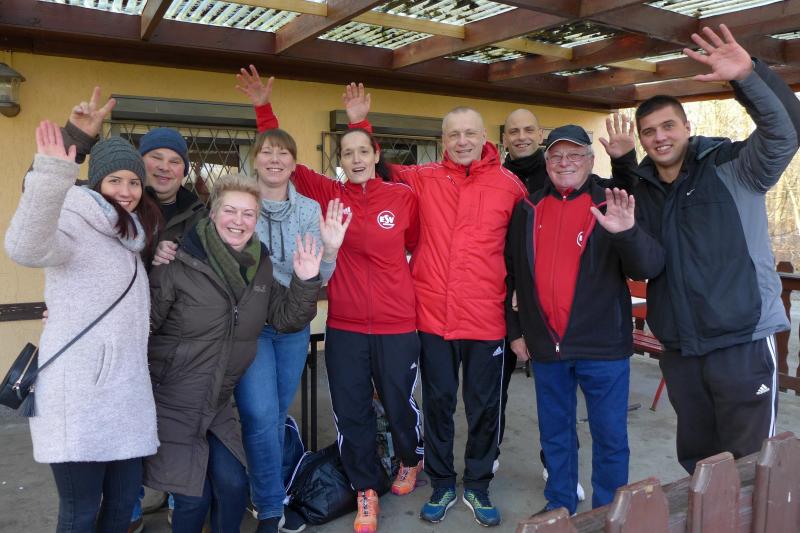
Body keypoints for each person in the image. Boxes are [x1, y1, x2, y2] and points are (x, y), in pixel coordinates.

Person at [240, 67, 424, 533]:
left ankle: (410, 457)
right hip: (344, 323)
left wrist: (360, 121)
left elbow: (416, 245)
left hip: (397, 322)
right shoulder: (328, 193)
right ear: (338, 160)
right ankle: (365, 488)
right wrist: (263, 109)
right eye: (347, 153)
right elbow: (282, 163)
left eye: (364, 151)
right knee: (350, 408)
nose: (356, 159)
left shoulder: (403, 197)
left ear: (376, 154)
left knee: (398, 403)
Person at [341, 87, 526, 527]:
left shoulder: (510, 186)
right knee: (439, 403)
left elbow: (525, 251)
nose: (462, 141)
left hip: (486, 319)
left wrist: (522, 313)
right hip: (433, 318)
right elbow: (376, 167)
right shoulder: (422, 178)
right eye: (453, 134)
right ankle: (442, 483)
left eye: (470, 133)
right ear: (443, 140)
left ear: (485, 137)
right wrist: (359, 123)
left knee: (484, 408)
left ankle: (478, 485)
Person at [631, 24, 800, 474]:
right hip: (681, 348)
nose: (660, 137)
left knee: (752, 465)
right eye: (649, 131)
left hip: (741, 341)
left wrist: (748, 76)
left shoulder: (733, 167)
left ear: (687, 127)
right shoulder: (644, 191)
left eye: (669, 125)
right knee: (699, 463)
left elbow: (785, 133)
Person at [144, 173, 323, 532]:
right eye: (230, 211)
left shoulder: (259, 263)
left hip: (217, 402)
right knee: (194, 499)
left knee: (233, 487)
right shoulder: (179, 258)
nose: (238, 221)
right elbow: (143, 323)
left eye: (248, 213)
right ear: (212, 213)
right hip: (175, 402)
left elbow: (285, 318)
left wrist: (305, 281)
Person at [5, 121, 161, 532]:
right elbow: (24, 246)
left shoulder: (130, 234)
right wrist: (51, 175)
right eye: (115, 180)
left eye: (134, 181)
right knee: (81, 511)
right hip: (79, 398)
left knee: (122, 506)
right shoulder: (73, 219)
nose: (126, 190)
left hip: (125, 398)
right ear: (96, 182)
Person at [505, 124, 665, 515]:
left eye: (575, 154)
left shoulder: (610, 200)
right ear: (546, 162)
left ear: (591, 161)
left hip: (602, 346)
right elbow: (513, 273)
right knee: (555, 435)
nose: (565, 162)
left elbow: (645, 267)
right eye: (557, 155)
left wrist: (627, 230)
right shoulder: (527, 208)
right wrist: (516, 330)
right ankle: (559, 506)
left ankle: (608, 513)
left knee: (610, 436)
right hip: (547, 344)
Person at [230, 78, 343, 533]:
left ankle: (267, 496)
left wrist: (330, 251)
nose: (274, 159)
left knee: (276, 413)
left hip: (293, 326)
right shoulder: (240, 206)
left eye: (283, 153)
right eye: (267, 152)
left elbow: (321, 277)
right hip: (250, 327)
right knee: (259, 413)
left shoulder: (308, 210)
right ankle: (269, 504)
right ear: (254, 159)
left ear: (294, 164)